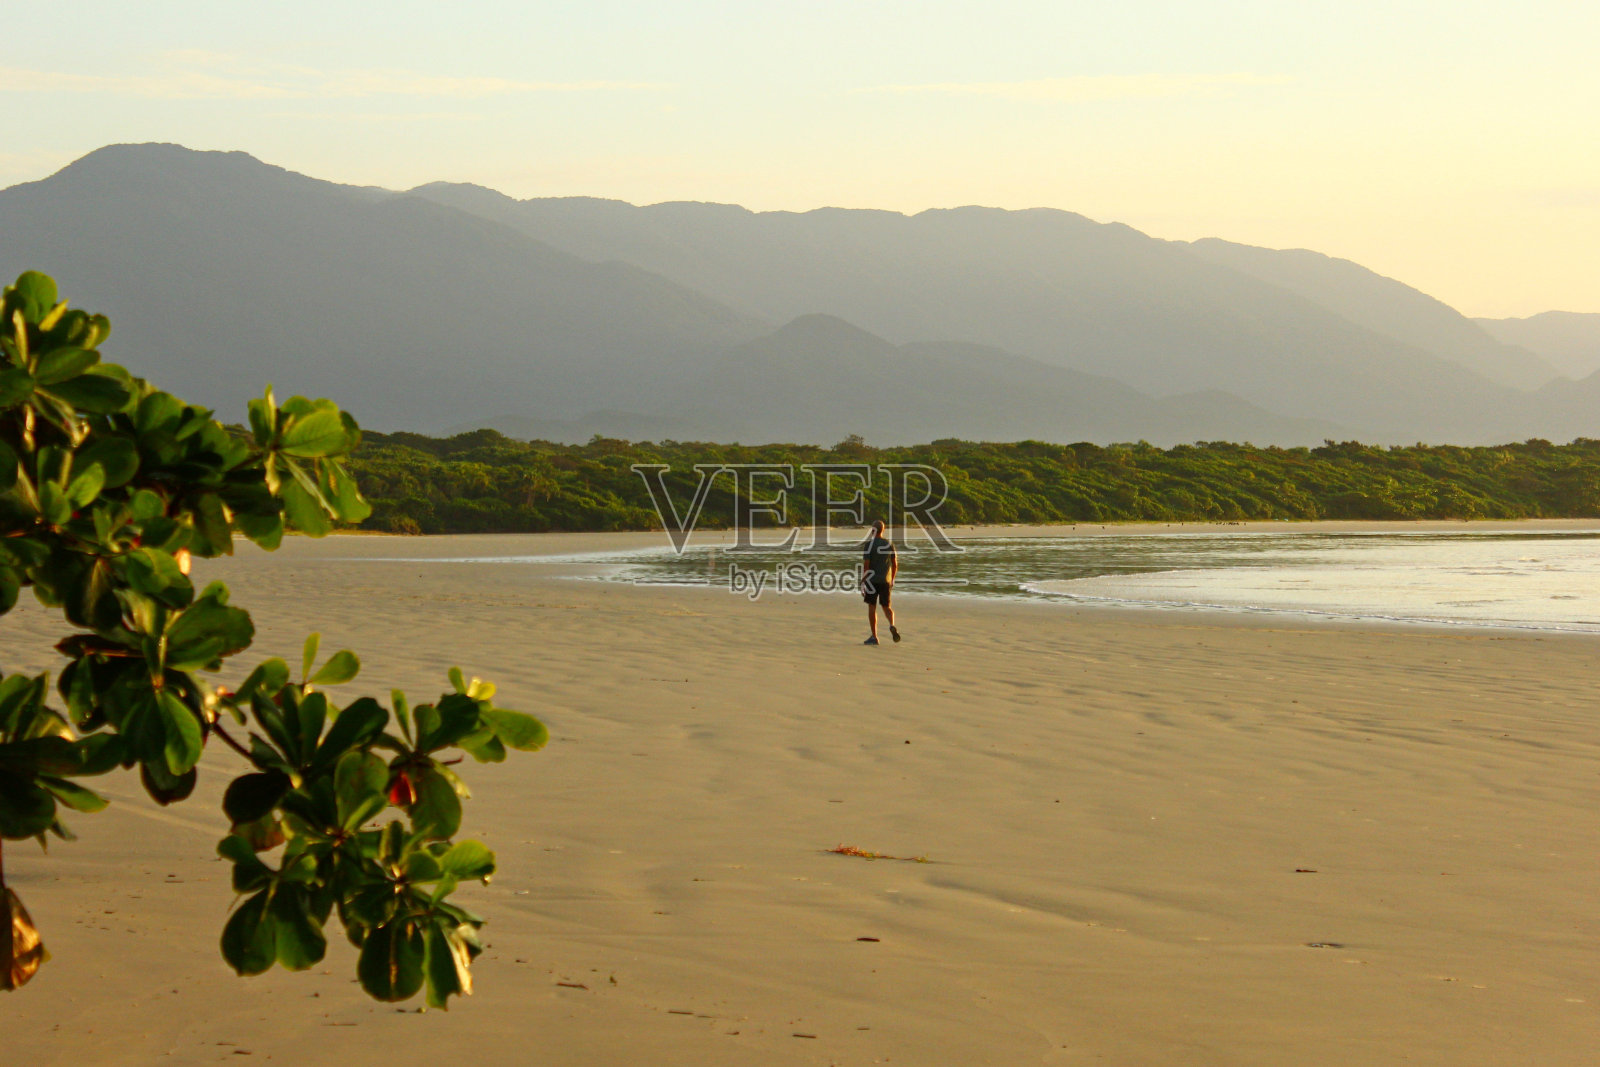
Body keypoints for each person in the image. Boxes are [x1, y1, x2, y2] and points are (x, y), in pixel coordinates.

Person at [861, 519, 900, 645]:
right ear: (883, 530)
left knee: (872, 607)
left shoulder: (869, 545)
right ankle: (891, 624)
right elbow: (895, 564)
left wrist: (863, 581)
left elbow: (866, 565)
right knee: (886, 607)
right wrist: (892, 578)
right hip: (885, 581)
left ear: (873, 530)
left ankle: (874, 636)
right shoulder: (889, 544)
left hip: (872, 581)